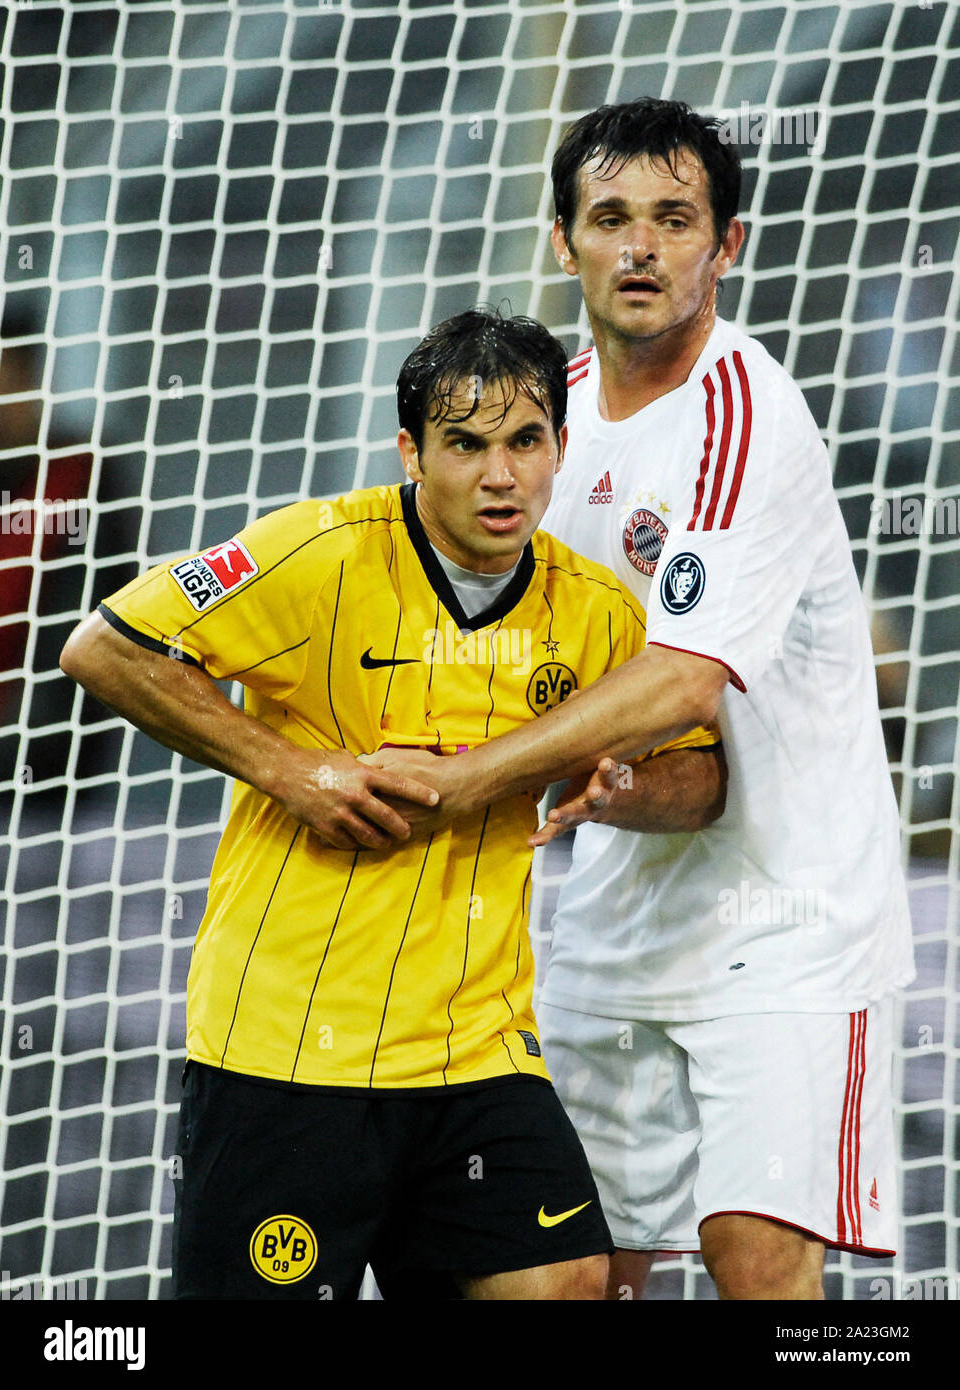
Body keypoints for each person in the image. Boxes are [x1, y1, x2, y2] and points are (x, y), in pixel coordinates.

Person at [59, 307, 722, 1301]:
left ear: (559, 448)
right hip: (285, 1046)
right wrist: (293, 769)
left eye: (524, 442)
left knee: (563, 1281)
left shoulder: (597, 610)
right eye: (465, 443)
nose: (500, 475)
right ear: (412, 450)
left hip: (476, 1045)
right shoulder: (318, 552)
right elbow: (105, 647)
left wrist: (620, 785)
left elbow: (701, 780)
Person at [366, 100, 915, 1300]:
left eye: (675, 219)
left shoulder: (743, 412)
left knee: (754, 1258)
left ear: (726, 245)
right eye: (610, 218)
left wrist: (467, 776)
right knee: (573, 1271)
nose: (641, 248)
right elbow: (662, 755)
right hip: (615, 920)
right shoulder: (534, 423)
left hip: (792, 924)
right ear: (563, 242)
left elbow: (682, 679)